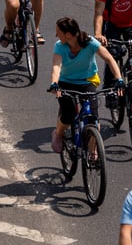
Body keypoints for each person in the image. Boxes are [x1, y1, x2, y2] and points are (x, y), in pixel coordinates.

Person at [47, 17, 123, 153]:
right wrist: (54, 84)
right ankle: (58, 133)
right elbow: (56, 66)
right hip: (65, 82)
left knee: (93, 117)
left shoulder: (90, 42)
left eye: (58, 32)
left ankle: (93, 150)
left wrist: (119, 80)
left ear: (68, 34)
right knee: (68, 114)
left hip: (87, 81)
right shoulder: (59, 46)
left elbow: (109, 59)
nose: (56, 34)